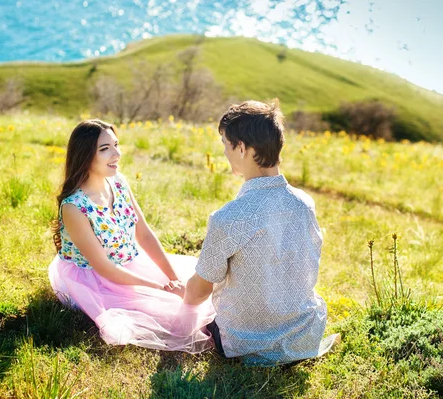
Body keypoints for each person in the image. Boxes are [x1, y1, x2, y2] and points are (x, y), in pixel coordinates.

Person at [180, 100, 339, 365]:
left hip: (244, 344)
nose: (224, 152)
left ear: (241, 148)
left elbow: (198, 293)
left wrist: (182, 295)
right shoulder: (304, 204)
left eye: (225, 145)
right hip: (302, 337)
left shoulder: (227, 218)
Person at [48, 119, 214, 353]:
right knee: (173, 315)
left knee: (198, 288)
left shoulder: (118, 182)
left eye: (116, 145)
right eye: (105, 149)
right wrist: (161, 287)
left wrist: (174, 279)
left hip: (130, 263)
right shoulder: (74, 207)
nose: (116, 154)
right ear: (85, 156)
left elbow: (144, 234)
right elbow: (105, 268)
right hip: (97, 278)